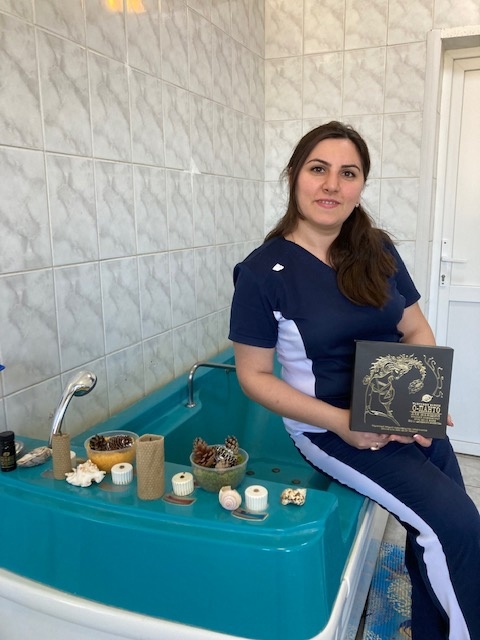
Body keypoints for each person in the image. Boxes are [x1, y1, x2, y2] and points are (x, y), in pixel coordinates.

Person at [228, 121, 480, 640]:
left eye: (348, 173)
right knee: (453, 526)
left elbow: (415, 329)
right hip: (328, 429)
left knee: (447, 526)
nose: (332, 185)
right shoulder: (262, 272)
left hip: (398, 407)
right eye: (318, 169)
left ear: (361, 184)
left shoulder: (377, 249)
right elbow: (253, 376)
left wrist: (421, 400)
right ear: (294, 175)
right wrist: (344, 422)